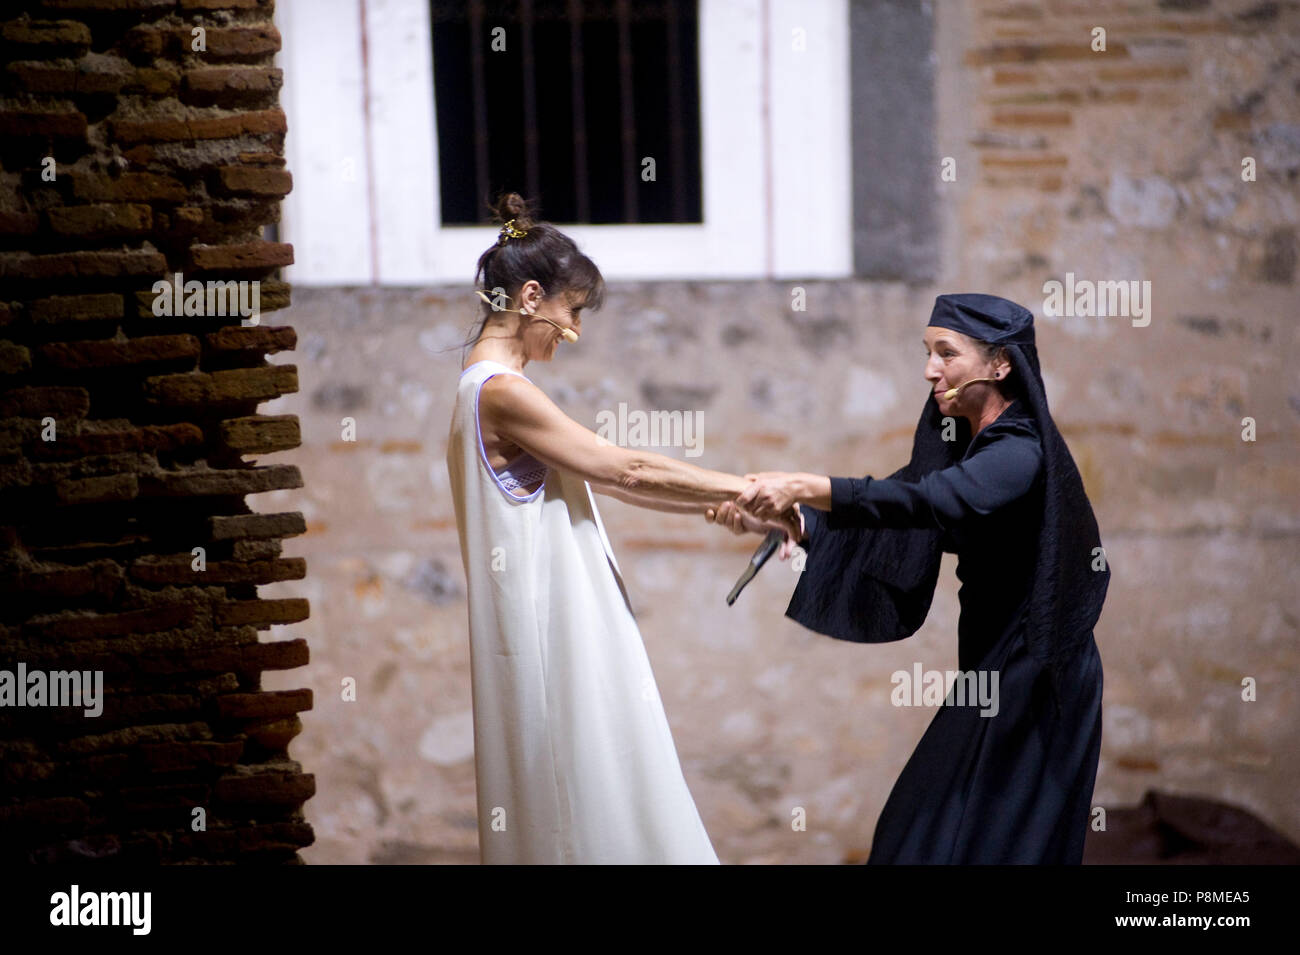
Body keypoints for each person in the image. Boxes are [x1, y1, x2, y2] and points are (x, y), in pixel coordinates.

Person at [444, 193, 801, 864]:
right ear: (529, 296)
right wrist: (755, 486)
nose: (572, 330)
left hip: (557, 633)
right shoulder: (500, 390)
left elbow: (605, 482)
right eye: (571, 311)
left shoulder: (478, 389)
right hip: (557, 640)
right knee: (601, 808)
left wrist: (725, 505)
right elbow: (626, 466)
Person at [708, 293, 1110, 864]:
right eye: (927, 352)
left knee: (968, 844)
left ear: (1001, 364)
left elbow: (930, 504)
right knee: (924, 837)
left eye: (946, 353)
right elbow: (895, 520)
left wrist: (805, 484)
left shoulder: (1019, 450)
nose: (930, 369)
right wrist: (786, 520)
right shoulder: (967, 447)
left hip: (1038, 674)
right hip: (993, 666)